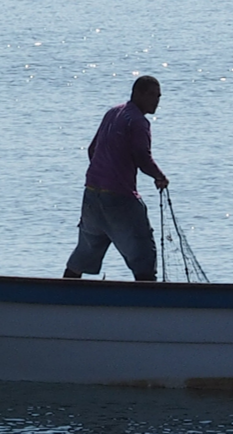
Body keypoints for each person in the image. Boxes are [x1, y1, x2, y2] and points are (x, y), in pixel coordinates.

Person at [64, 75, 168, 282]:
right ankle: (151, 306)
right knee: (143, 254)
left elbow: (92, 150)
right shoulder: (138, 122)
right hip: (119, 198)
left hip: (92, 196)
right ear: (137, 93)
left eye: (158, 96)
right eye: (151, 95)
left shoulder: (113, 113)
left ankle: (58, 298)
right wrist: (159, 176)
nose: (156, 101)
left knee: (83, 254)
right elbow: (142, 157)